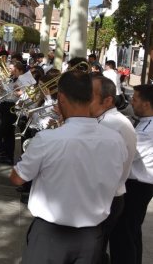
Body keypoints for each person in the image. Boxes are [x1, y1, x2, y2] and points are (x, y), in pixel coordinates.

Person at [10, 71, 127, 264]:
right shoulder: (116, 140)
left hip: (49, 236)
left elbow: (17, 179)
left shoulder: (47, 139)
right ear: (91, 98)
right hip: (92, 237)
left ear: (61, 98)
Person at [89, 75, 136, 263]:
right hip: (106, 197)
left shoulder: (112, 124)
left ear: (107, 100)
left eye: (88, 96)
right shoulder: (104, 120)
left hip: (105, 198)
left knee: (94, 251)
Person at [109, 84, 153, 264]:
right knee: (132, 231)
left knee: (122, 234)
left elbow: (125, 154)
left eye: (135, 99)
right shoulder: (144, 122)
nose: (131, 102)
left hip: (138, 186)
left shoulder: (147, 130)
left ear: (147, 104)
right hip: (140, 184)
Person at [0, 61, 34, 167]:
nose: (12, 72)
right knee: (9, 135)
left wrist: (1, 82)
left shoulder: (24, 80)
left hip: (11, 108)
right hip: (6, 107)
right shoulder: (14, 78)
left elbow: (14, 94)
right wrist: (0, 86)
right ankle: (9, 158)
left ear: (20, 70)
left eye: (14, 70)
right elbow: (7, 92)